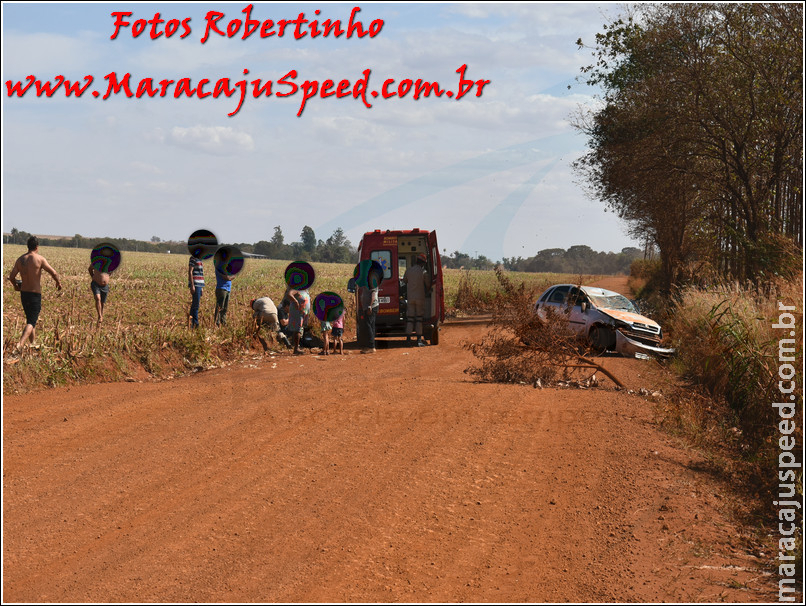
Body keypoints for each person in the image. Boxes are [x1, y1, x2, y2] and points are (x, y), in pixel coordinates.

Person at [7, 235, 62, 353]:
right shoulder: (40, 259)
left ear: (28, 246)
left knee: (30, 320)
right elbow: (54, 272)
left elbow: (11, 277)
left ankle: (33, 344)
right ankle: (20, 344)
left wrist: (16, 286)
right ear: (37, 247)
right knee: (32, 321)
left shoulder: (20, 259)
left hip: (24, 294)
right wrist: (58, 283)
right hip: (34, 294)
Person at [403, 253, 432, 347]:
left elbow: (404, 281)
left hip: (410, 298)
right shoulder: (423, 272)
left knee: (410, 319)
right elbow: (428, 285)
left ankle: (408, 340)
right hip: (420, 298)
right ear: (423, 263)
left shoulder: (409, 270)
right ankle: (419, 340)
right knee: (419, 319)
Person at [358, 266, 381, 354]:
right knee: (370, 326)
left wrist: (369, 306)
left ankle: (371, 347)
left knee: (368, 326)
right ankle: (369, 346)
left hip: (371, 307)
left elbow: (373, 295)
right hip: (368, 307)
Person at [285, 286, 311, 355]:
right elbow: (289, 294)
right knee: (297, 329)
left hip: (302, 313)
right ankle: (296, 348)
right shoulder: (297, 288)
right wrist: (295, 301)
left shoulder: (305, 290)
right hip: (297, 312)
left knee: (300, 329)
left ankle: (297, 347)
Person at [188, 253, 204, 328]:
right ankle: (195, 323)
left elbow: (201, 273)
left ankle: (191, 323)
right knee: (196, 305)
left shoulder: (200, 259)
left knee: (195, 304)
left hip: (199, 284)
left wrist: (202, 287)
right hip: (195, 284)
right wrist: (192, 285)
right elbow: (190, 271)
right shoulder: (193, 258)